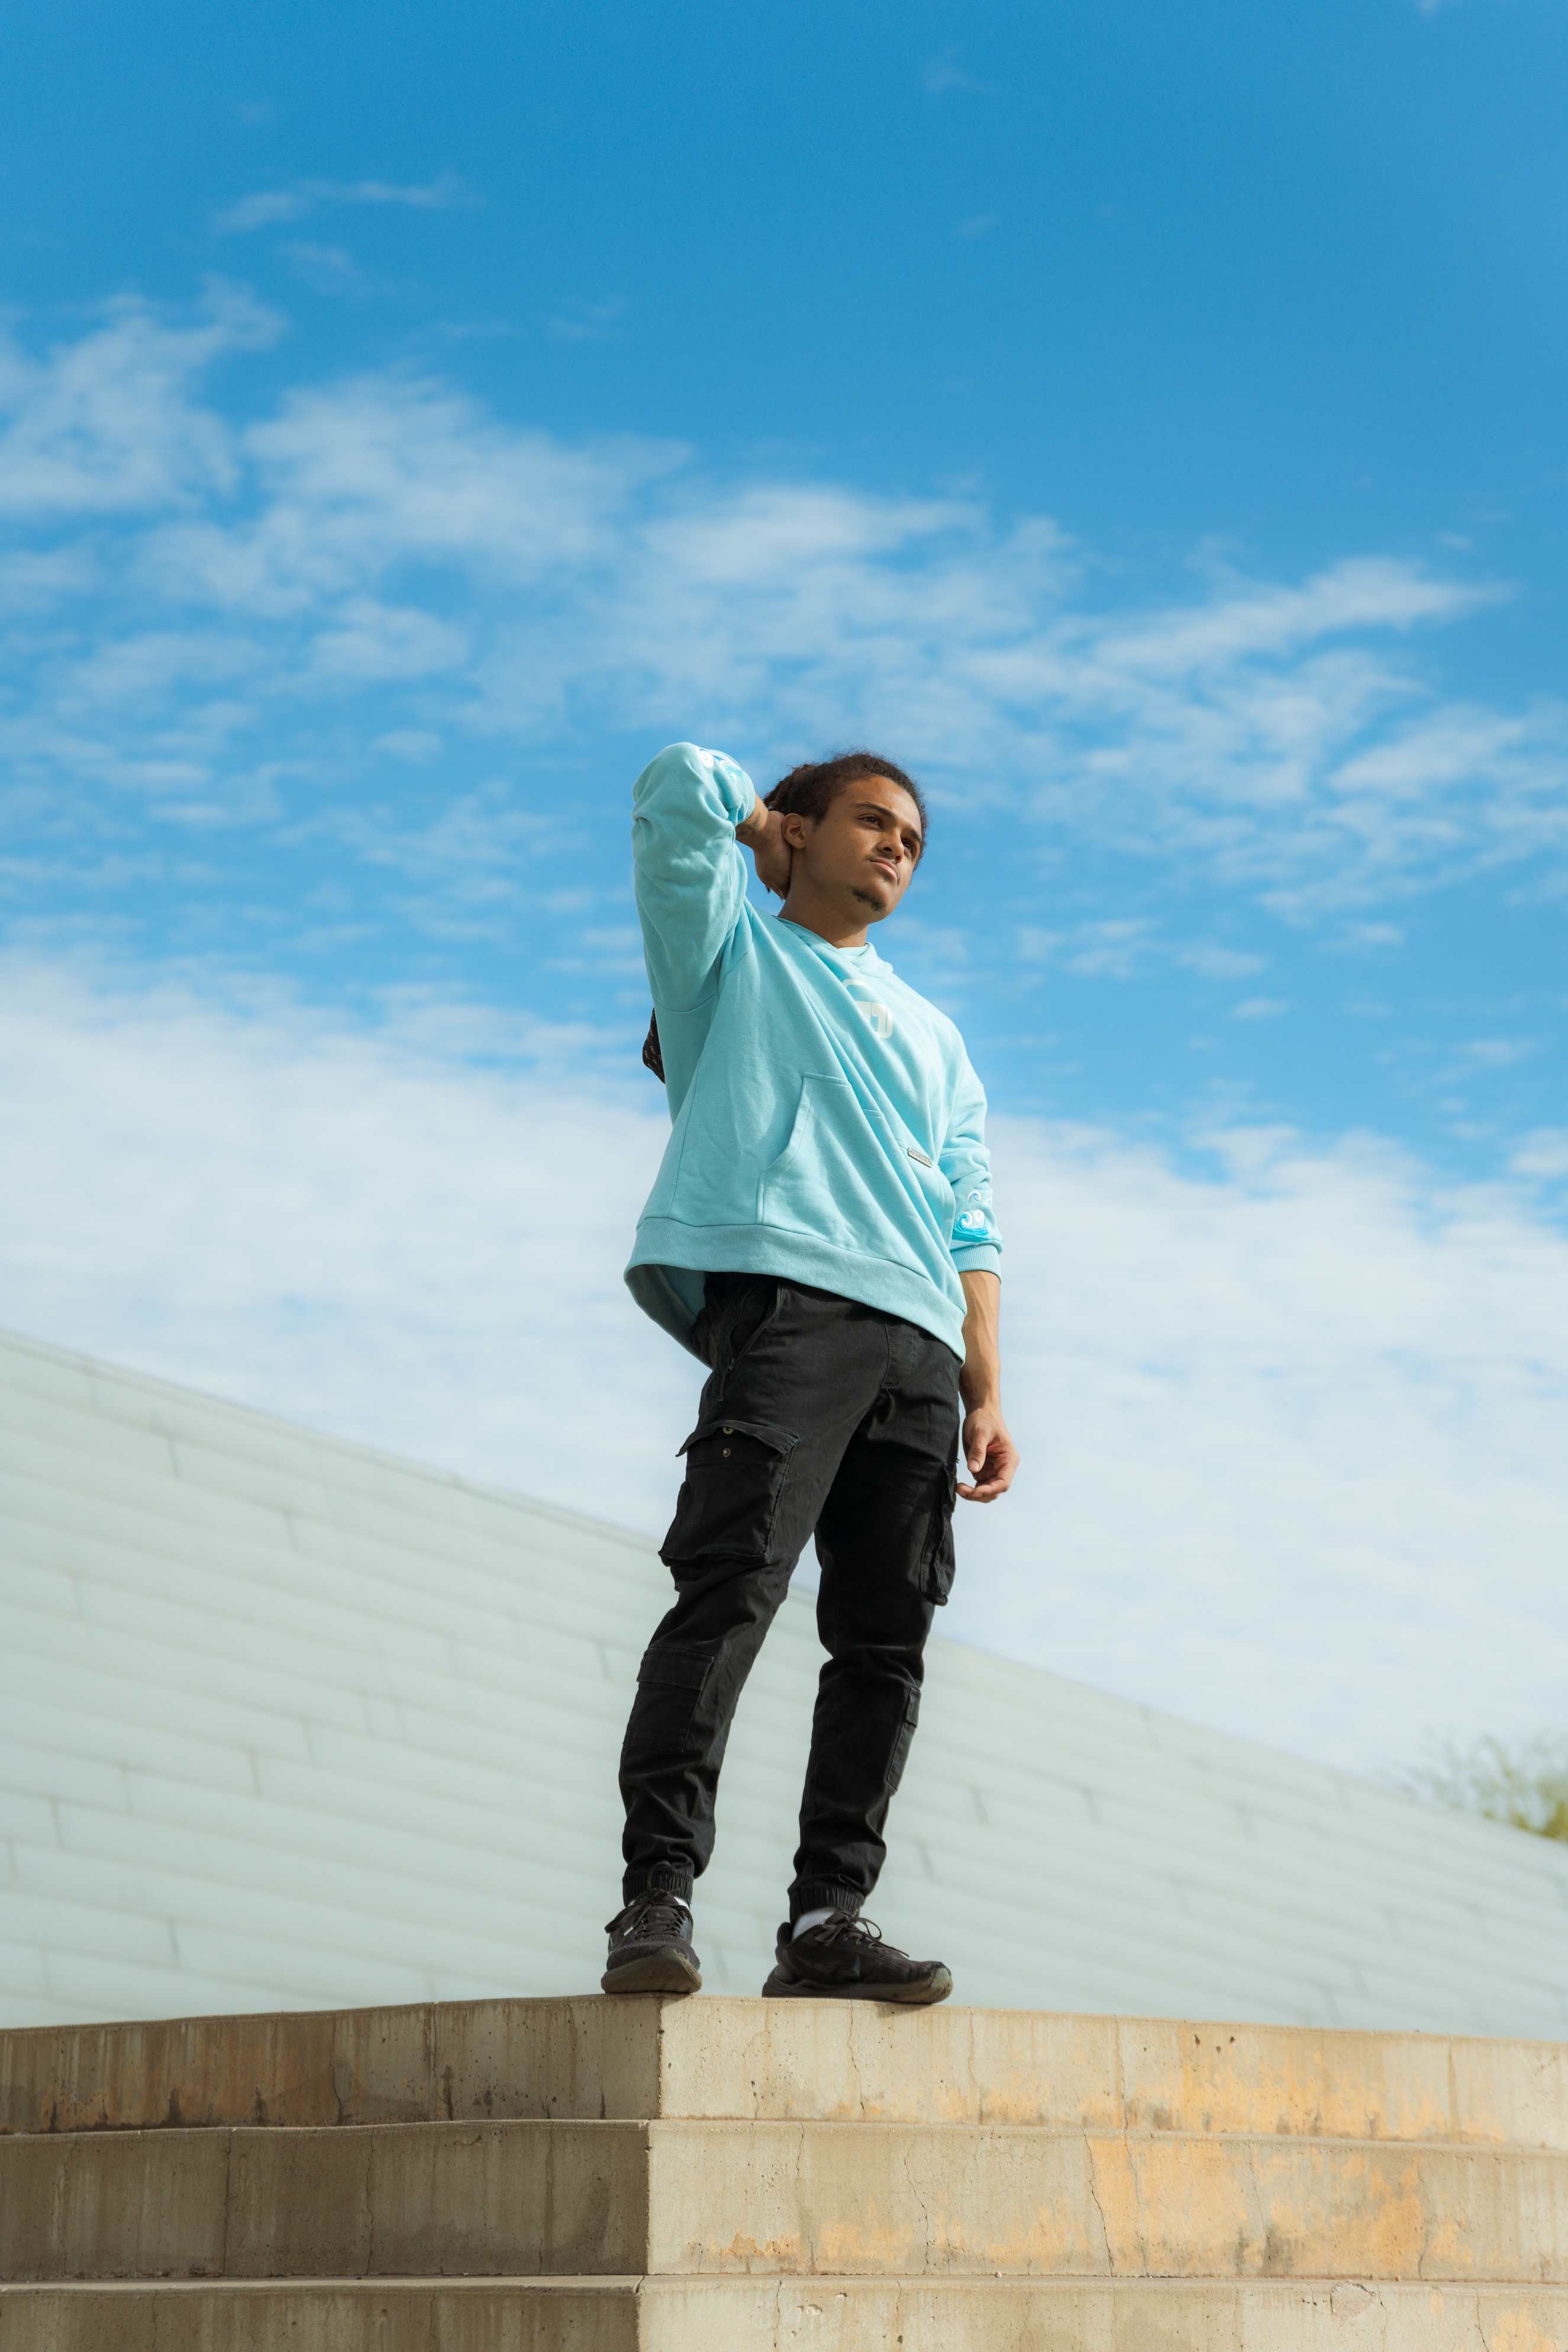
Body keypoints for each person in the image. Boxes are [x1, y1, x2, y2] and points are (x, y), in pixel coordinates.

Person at [604, 741, 1018, 2004]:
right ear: (800, 827)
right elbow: (675, 783)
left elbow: (970, 1212)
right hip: (787, 1304)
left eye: (912, 839)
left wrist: (985, 1381)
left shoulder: (938, 1034)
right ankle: (654, 1898)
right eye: (871, 822)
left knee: (885, 1642)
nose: (896, 847)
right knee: (727, 1590)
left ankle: (827, 1918)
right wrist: (746, 826)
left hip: (919, 1348)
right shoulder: (726, 956)